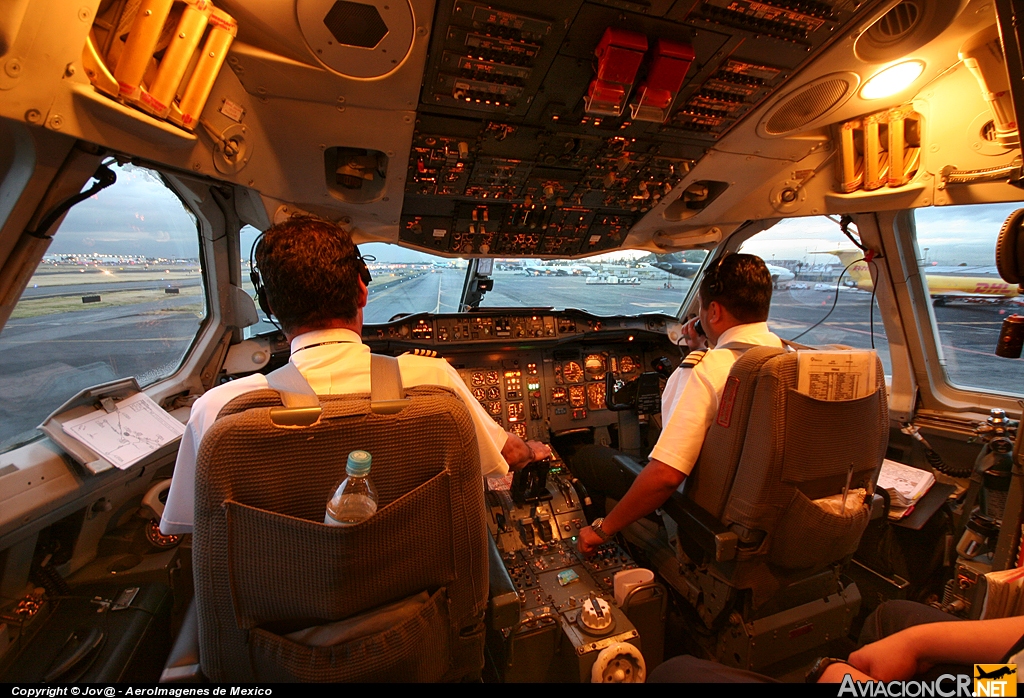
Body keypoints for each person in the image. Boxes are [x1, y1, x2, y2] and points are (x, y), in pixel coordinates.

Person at [160, 216, 550, 535]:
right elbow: (507, 455)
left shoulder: (220, 410)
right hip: (418, 597)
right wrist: (534, 450)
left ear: (269, 306)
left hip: (279, 616)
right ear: (362, 291)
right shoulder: (432, 379)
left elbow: (191, 526)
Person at [574, 253, 781, 555]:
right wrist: (708, 346)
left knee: (587, 457)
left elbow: (666, 477)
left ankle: (619, 545)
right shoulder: (787, 359)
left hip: (704, 519)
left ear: (714, 312)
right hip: (764, 514)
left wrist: (601, 529)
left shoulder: (703, 370)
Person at [647, 600, 1024, 683]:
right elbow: (1000, 683)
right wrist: (914, 642)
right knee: (890, 618)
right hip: (1006, 681)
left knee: (674, 674)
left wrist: (838, 678)